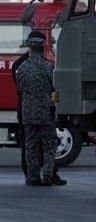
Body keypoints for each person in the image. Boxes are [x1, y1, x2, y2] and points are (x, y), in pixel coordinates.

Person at [15, 30, 65, 186]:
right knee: (49, 144)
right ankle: (48, 174)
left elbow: (20, 89)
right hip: (46, 112)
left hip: (28, 112)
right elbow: (55, 91)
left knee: (31, 145)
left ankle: (32, 177)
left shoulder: (21, 68)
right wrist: (56, 105)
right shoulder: (49, 67)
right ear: (43, 47)